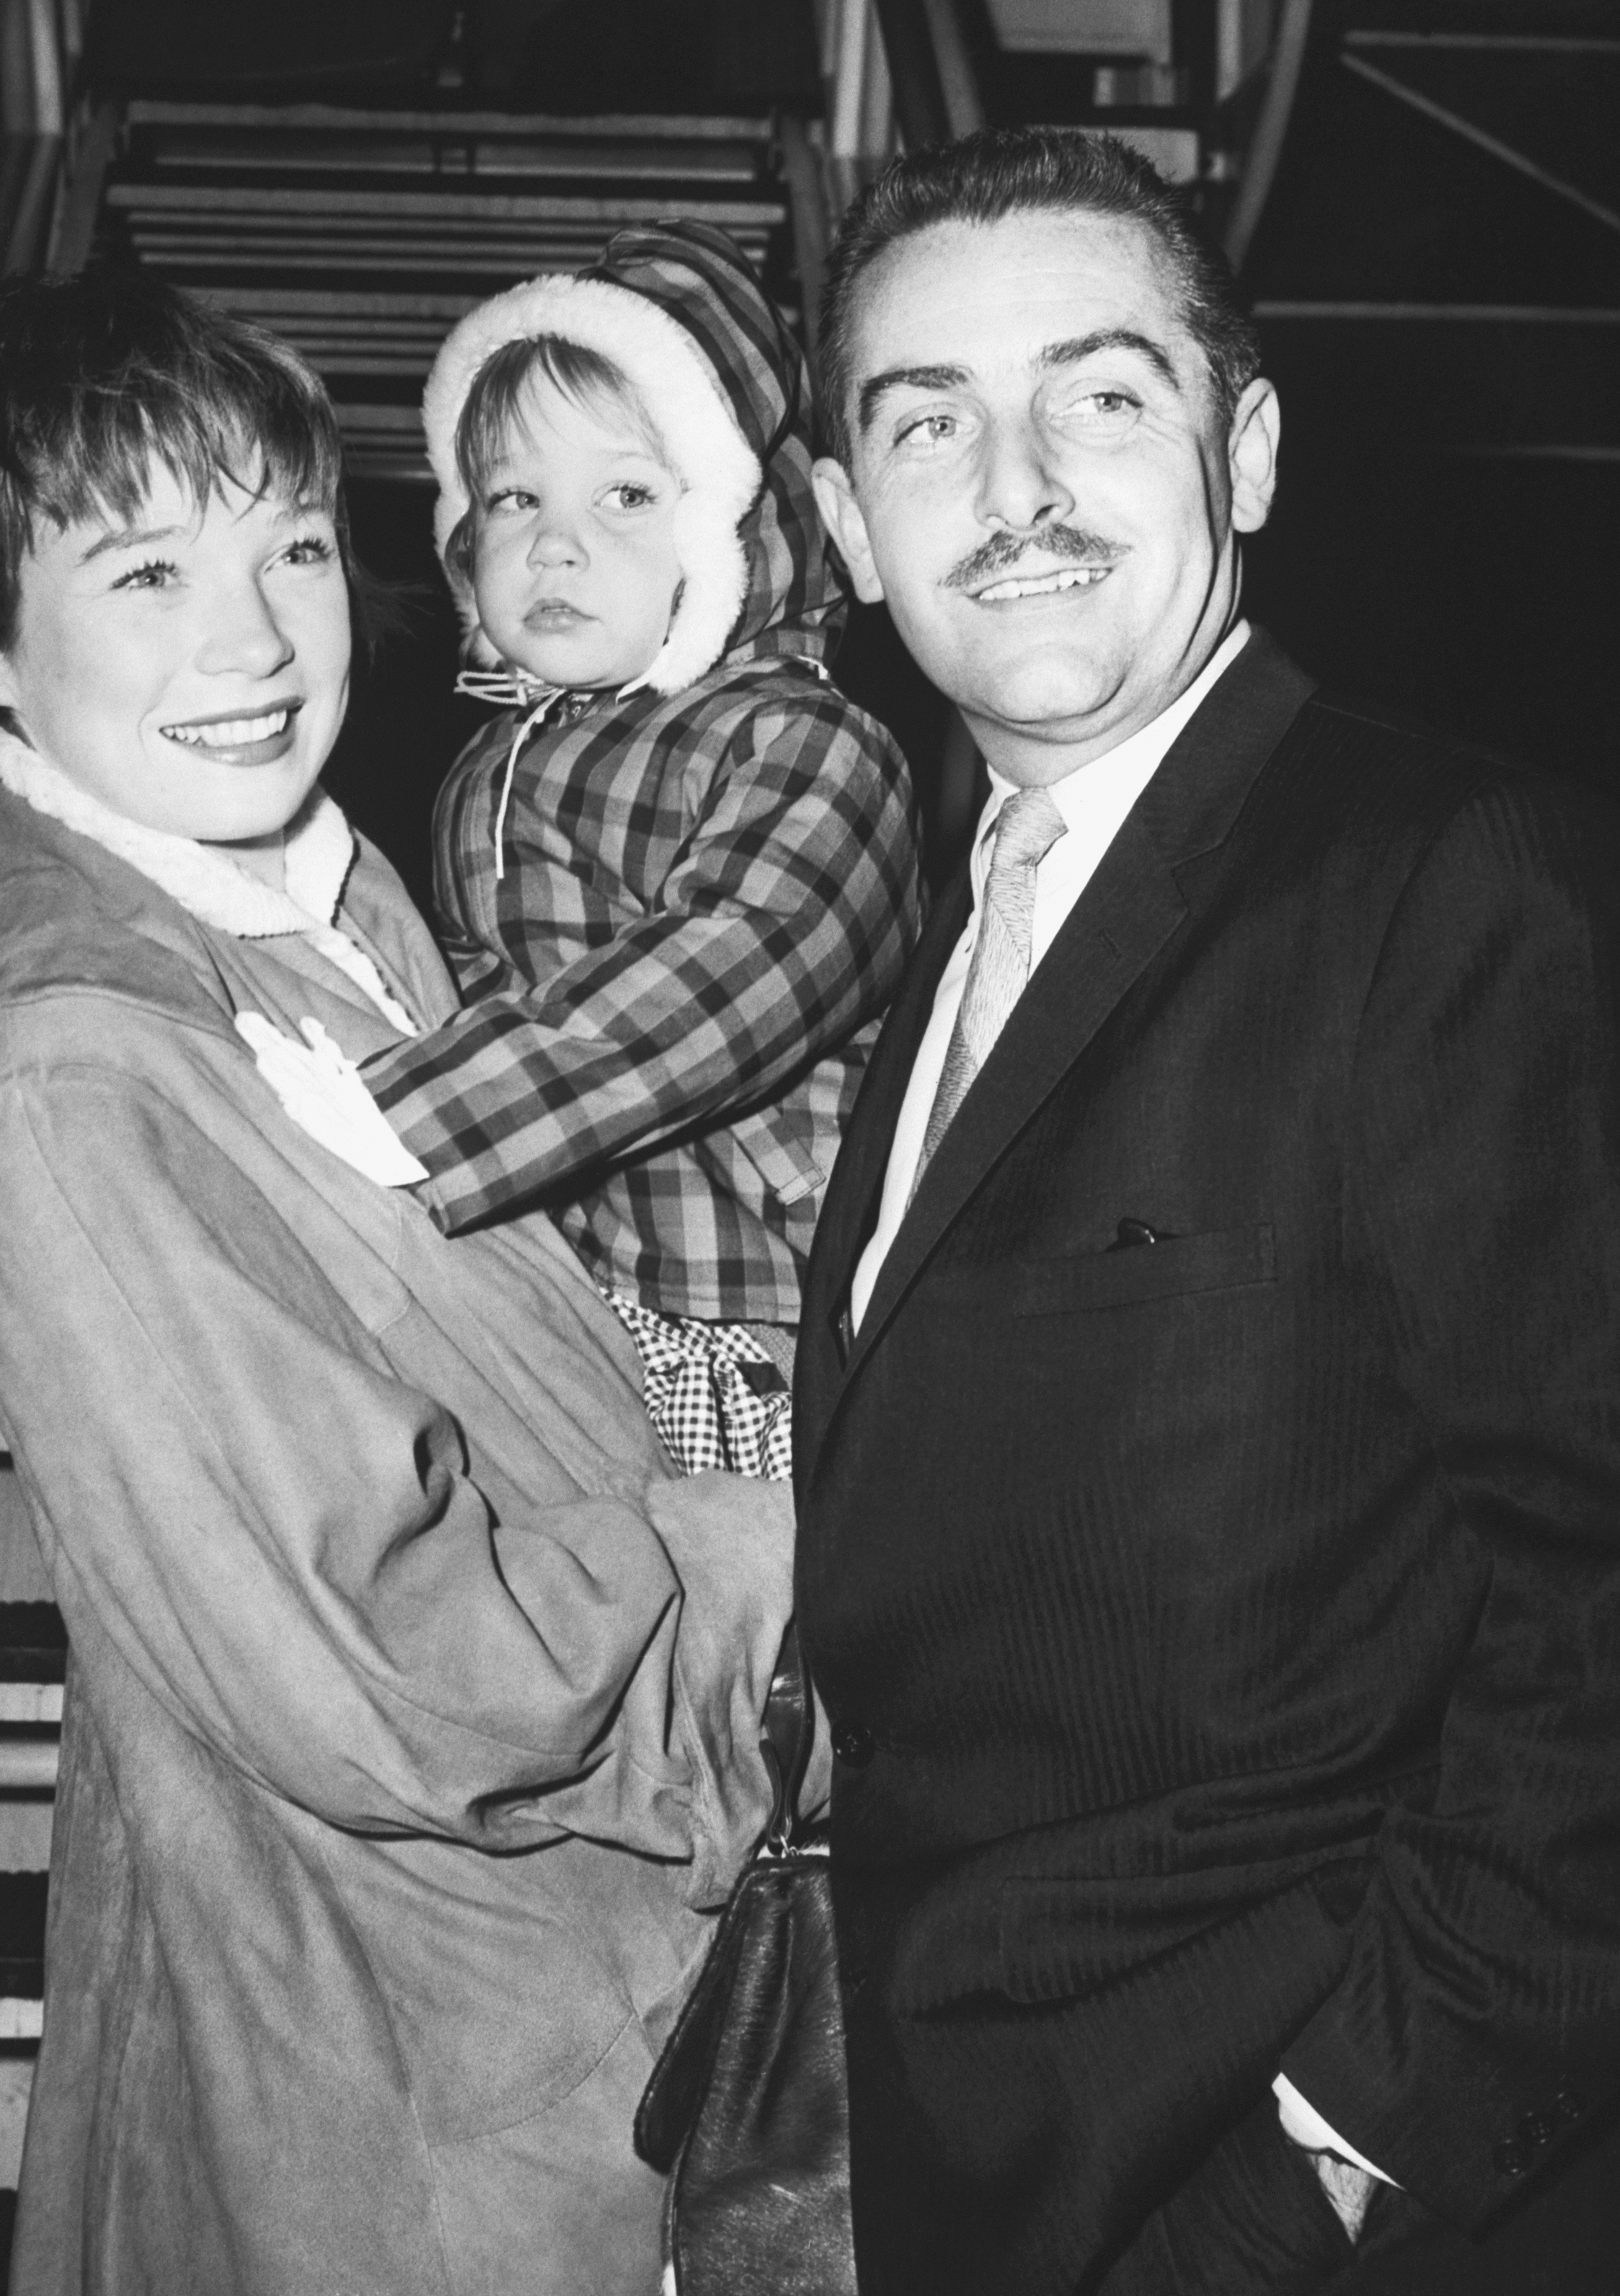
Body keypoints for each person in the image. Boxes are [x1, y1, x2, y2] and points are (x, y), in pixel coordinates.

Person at [0, 266, 797, 2296]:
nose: (258, 638)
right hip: (431, 2077)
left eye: (292, 542)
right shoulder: (69, 1076)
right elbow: (393, 1661)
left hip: (575, 2004)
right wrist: (780, 1559)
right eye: (141, 574)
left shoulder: (311, 886)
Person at [794, 125, 1620, 2293]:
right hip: (992, 2163)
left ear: (1243, 452)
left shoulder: (1447, 886)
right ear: (841, 531)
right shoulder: (949, 936)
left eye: (1101, 393)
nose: (1018, 485)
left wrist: (1330, 2162)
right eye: (928, 425)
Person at [245, 219, 921, 1480]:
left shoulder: (807, 747)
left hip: (777, 1319)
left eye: (625, 495)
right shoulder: (488, 775)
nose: (554, 544)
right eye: (512, 496)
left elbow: (720, 984)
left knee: (760, 1637)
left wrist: (422, 1121)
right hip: (594, 1307)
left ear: (733, 526)